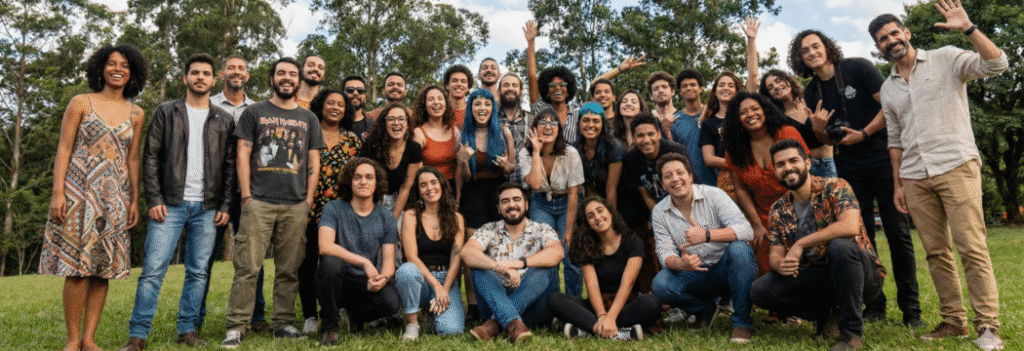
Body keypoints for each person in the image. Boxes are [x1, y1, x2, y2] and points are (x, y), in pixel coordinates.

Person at [871, 3, 1007, 348]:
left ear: (906, 33)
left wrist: (968, 29)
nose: (890, 40)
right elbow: (894, 140)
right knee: (936, 253)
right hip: (915, 176)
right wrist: (898, 184)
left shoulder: (946, 57)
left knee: (971, 247)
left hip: (955, 165)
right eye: (883, 38)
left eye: (894, 33)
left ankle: (988, 327)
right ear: (878, 47)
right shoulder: (888, 89)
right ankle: (953, 322)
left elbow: (996, 64)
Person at [791, 27, 923, 327]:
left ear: (826, 47)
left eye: (815, 46)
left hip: (883, 157)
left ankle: (911, 311)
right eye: (804, 51)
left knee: (898, 233)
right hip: (849, 165)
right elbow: (824, 139)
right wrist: (820, 130)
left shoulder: (858, 68)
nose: (811, 53)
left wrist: (864, 133)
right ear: (800, 58)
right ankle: (875, 305)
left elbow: (890, 106)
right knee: (861, 237)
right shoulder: (811, 92)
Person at [119, 53, 234, 351]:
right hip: (169, 204)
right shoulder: (166, 112)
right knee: (152, 271)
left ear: (214, 80)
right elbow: (150, 157)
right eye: (195, 72)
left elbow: (230, 166)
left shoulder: (224, 119)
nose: (200, 77)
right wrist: (154, 198)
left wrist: (225, 205)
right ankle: (137, 335)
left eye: (206, 73)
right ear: (185, 78)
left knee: (198, 272)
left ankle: (188, 331)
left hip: (208, 208)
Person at [40, 43, 147, 351]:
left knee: (102, 269)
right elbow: (64, 148)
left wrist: (134, 199)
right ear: (101, 67)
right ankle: (72, 340)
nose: (118, 69)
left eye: (125, 65)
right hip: (78, 193)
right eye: (112, 63)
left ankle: (89, 339)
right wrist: (58, 193)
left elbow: (133, 158)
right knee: (77, 269)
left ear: (132, 73)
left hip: (114, 198)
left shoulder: (137, 113)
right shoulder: (81, 103)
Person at [221, 57, 326, 349]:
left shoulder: (309, 118)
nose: (287, 77)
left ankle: (283, 323)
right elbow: (243, 153)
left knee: (288, 270)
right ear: (272, 78)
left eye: (292, 73)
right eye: (281, 73)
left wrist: (307, 200)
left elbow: (314, 162)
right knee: (247, 268)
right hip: (259, 202)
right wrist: (246, 196)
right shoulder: (254, 112)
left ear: (299, 80)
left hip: (295, 204)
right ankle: (236, 326)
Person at [751, 139, 886, 351]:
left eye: (793, 161)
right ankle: (825, 315)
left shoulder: (835, 186)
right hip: (816, 276)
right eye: (780, 164)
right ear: (775, 171)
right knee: (760, 290)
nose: (788, 167)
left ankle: (851, 333)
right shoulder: (779, 208)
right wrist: (781, 265)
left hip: (859, 273)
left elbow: (850, 226)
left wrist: (800, 244)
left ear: (807, 163)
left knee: (840, 247)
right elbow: (775, 255)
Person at [650, 153, 756, 343]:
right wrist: (682, 264)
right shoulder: (659, 211)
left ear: (690, 176)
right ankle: (705, 310)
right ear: (663, 184)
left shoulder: (714, 195)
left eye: (680, 173)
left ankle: (741, 323)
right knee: (660, 284)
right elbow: (664, 253)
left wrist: (707, 235)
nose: (675, 179)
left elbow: (746, 230)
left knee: (740, 249)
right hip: (694, 273)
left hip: (725, 269)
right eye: (668, 176)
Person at [201, 54, 264, 334]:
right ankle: (194, 320)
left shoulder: (259, 109)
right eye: (231, 68)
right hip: (214, 193)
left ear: (247, 76)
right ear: (222, 74)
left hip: (249, 193)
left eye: (241, 68)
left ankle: (256, 316)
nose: (236, 72)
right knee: (203, 258)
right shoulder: (208, 104)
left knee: (253, 258)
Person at [461, 183, 564, 343]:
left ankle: (494, 324)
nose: (511, 205)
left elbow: (557, 252)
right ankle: (512, 323)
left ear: (526, 205)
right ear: (498, 208)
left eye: (516, 199)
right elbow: (467, 252)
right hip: (496, 301)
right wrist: (497, 267)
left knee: (545, 268)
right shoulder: (489, 229)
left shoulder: (541, 229)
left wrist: (519, 263)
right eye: (505, 201)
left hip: (534, 311)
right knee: (479, 268)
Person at [547, 197, 660, 341]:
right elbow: (592, 284)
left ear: (610, 213)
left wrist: (611, 317)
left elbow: (627, 284)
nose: (597, 217)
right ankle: (612, 331)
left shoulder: (633, 242)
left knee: (652, 302)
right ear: (588, 225)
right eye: (590, 216)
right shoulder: (587, 246)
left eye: (600, 211)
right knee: (554, 299)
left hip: (625, 305)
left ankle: (589, 330)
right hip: (597, 306)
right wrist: (601, 316)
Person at [315, 157, 402, 346]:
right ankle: (330, 328)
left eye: (369, 177)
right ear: (350, 181)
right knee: (331, 263)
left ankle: (356, 316)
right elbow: (325, 246)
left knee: (391, 303)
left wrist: (382, 279)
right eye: (357, 177)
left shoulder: (386, 217)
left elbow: (388, 262)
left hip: (366, 282)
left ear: (377, 183)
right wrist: (364, 261)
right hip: (339, 281)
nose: (363, 181)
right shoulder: (333, 208)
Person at [721, 91, 809, 276]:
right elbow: (741, 190)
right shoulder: (734, 148)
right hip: (762, 216)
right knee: (764, 259)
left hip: (799, 207)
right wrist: (756, 225)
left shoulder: (787, 133)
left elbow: (805, 175)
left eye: (755, 108)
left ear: (765, 110)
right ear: (736, 119)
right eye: (743, 112)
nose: (750, 114)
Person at [297, 88, 362, 335]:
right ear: (320, 106)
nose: (335, 107)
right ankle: (310, 315)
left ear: (346, 111)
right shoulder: (306, 133)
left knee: (337, 264)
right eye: (330, 103)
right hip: (309, 209)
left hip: (341, 214)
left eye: (340, 104)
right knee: (307, 264)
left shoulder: (352, 140)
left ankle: (337, 310)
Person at [620, 112, 691, 293]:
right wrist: (662, 218)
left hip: (683, 202)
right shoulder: (631, 159)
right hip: (654, 207)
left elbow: (688, 188)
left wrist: (678, 218)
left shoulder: (675, 151)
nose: (646, 140)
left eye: (651, 134)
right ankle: (659, 290)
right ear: (633, 137)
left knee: (686, 243)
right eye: (640, 135)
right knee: (655, 244)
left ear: (659, 133)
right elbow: (645, 195)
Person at [519, 109, 585, 298]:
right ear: (534, 128)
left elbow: (574, 193)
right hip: (541, 203)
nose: (548, 126)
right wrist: (536, 152)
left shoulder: (570, 153)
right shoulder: (525, 153)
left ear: (558, 129)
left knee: (570, 253)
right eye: (543, 122)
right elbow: (535, 185)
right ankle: (552, 302)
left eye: (553, 123)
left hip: (567, 202)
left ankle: (573, 302)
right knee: (547, 252)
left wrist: (568, 230)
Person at [395, 167, 466, 340]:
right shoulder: (411, 216)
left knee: (452, 331)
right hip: (420, 279)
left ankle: (431, 314)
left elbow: (456, 258)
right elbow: (411, 257)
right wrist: (436, 286)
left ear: (441, 185)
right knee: (406, 270)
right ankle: (412, 324)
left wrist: (445, 289)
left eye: (434, 182)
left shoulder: (457, 218)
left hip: (445, 277)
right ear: (418, 191)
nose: (430, 188)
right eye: (423, 185)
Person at [758, 69, 836, 177]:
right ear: (769, 95)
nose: (776, 86)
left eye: (778, 81)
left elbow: (833, 136)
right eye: (770, 87)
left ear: (788, 81)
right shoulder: (777, 119)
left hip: (828, 164)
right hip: (801, 170)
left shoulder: (812, 99)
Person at [458, 89, 515, 232]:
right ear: (470, 108)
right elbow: (465, 178)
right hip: (472, 195)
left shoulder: (504, 133)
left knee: (502, 239)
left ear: (492, 109)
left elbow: (511, 169)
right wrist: (464, 162)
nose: (482, 108)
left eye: (487, 104)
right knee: (474, 240)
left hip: (499, 193)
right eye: (477, 104)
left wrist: (506, 166)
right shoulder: (461, 136)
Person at [650, 70, 714, 185]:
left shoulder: (712, 113)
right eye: (684, 86)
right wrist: (666, 131)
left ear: (701, 88)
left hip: (718, 180)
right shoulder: (675, 120)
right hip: (690, 183)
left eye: (693, 84)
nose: (688, 88)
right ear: (680, 92)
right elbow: (673, 153)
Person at [360, 102, 422, 220]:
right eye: (391, 119)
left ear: (407, 123)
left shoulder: (414, 149)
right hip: (370, 200)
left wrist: (393, 220)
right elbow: (364, 181)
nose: (396, 123)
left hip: (399, 203)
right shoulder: (371, 145)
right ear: (384, 124)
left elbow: (406, 188)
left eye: (401, 119)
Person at [698, 71, 748, 195]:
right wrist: (737, 164)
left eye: (730, 85)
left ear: (737, 91)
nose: (725, 88)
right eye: (721, 85)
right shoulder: (708, 123)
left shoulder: (745, 116)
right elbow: (709, 159)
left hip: (753, 174)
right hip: (728, 179)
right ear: (715, 91)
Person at [574, 103, 624, 209]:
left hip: (620, 198)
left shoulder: (614, 148)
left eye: (596, 121)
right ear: (579, 123)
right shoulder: (576, 148)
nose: (590, 125)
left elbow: (611, 189)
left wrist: (610, 216)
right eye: (585, 120)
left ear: (603, 124)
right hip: (596, 196)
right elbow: (588, 186)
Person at [412, 85, 459, 185]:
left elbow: (458, 170)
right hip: (429, 187)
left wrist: (458, 194)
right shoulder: (418, 133)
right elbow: (417, 173)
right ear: (424, 105)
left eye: (440, 98)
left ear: (446, 104)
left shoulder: (454, 131)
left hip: (452, 187)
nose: (436, 102)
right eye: (431, 99)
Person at [496, 73, 534, 185]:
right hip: (498, 184)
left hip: (527, 185)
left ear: (520, 91)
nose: (510, 88)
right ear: (499, 91)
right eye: (506, 85)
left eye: (514, 85)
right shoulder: (491, 119)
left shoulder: (531, 119)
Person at [443, 65, 474, 130]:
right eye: (454, 80)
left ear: (468, 87)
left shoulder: (474, 111)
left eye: (463, 81)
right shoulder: (439, 111)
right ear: (447, 85)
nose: (459, 84)